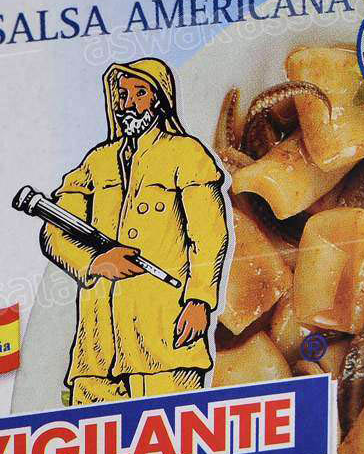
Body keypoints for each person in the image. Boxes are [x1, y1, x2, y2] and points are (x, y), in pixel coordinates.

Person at [39, 58, 230, 403]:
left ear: (159, 99)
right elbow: (55, 232)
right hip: (98, 348)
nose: (128, 103)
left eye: (140, 93)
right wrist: (95, 263)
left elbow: (209, 235)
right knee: (94, 435)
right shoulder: (96, 163)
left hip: (166, 337)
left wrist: (200, 300)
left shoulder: (186, 154)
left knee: (173, 430)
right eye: (123, 94)